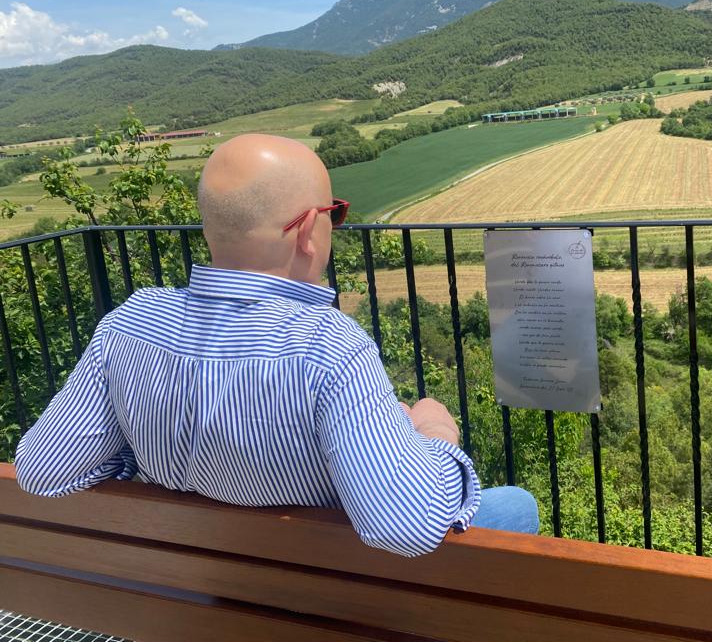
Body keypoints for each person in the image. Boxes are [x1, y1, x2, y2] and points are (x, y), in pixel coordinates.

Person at [15, 134, 538, 556]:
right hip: (334, 594)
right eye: (334, 212)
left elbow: (43, 469)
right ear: (310, 230)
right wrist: (432, 430)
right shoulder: (327, 347)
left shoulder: (130, 325)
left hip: (207, 595)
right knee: (515, 506)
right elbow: (402, 525)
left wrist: (150, 466)